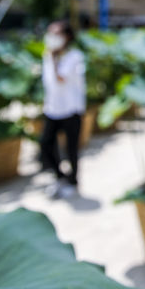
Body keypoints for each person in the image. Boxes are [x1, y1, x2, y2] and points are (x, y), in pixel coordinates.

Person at [40, 21, 86, 197]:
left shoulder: (74, 56)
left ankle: (73, 181)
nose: (52, 37)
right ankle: (60, 176)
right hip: (52, 108)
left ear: (67, 36)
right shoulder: (48, 54)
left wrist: (53, 57)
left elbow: (61, 78)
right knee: (46, 144)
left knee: (71, 148)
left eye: (56, 33)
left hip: (71, 109)